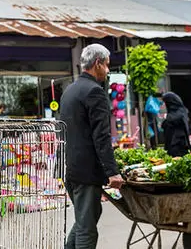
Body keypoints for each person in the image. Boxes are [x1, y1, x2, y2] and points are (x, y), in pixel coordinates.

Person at [60, 43, 124, 249]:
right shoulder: (94, 92)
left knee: (84, 220)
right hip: (85, 171)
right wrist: (113, 172)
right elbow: (101, 137)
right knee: (87, 229)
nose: (107, 71)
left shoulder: (70, 90)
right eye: (106, 65)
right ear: (97, 64)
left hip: (69, 168)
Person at [161, 92, 191, 157]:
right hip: (171, 145)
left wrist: (167, 117)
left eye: (165, 102)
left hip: (178, 145)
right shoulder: (174, 113)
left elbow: (175, 120)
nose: (163, 105)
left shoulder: (180, 112)